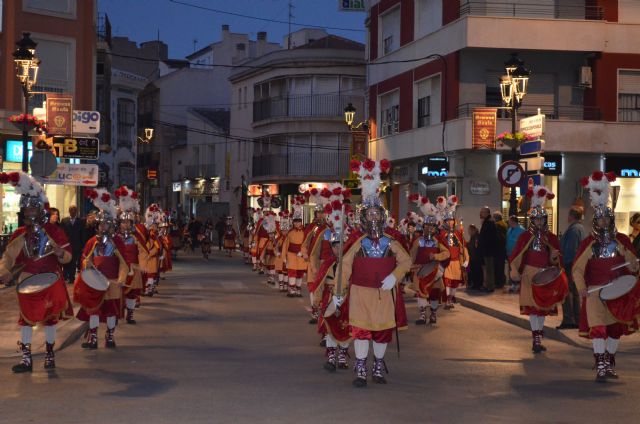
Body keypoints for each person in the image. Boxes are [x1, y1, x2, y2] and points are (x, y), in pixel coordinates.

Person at [336, 158, 411, 388]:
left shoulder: (391, 241)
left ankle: (378, 365)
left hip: (384, 293)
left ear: (382, 215)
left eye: (376, 214)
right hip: (360, 292)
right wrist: (339, 292)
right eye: (369, 215)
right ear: (363, 217)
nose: (374, 218)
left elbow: (406, 261)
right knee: (360, 331)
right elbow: (345, 266)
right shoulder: (356, 242)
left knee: (381, 332)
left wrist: (394, 277)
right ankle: (360, 369)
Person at [0, 171, 73, 372]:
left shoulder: (55, 232)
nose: (29, 214)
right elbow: (8, 257)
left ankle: (49, 354)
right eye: (26, 210)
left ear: (40, 209)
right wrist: (4, 271)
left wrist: (59, 252)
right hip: (28, 281)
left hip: (51, 279)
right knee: (26, 320)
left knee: (50, 319)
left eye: (32, 209)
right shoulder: (19, 234)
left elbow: (68, 257)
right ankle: (26, 358)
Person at [573, 171, 640, 382]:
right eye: (599, 219)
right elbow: (577, 269)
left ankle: (609, 362)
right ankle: (600, 364)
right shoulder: (589, 244)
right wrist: (581, 287)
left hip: (617, 291)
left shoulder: (621, 240)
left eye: (606, 219)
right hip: (595, 293)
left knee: (614, 330)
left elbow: (633, 265)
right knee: (598, 328)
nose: (602, 222)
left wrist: (625, 252)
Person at [509, 186, 567, 353]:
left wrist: (555, 256)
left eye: (542, 219)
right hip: (529, 274)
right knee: (533, 309)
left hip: (546, 276)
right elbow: (516, 254)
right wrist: (515, 271)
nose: (540, 222)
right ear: (532, 220)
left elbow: (556, 261)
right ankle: (535, 338)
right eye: (537, 220)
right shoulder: (525, 236)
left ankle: (539, 338)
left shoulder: (552, 238)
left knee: (543, 309)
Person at [74, 188, 129, 349]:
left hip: (112, 282)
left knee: (111, 311)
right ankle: (93, 338)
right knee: (93, 311)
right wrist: (86, 265)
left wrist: (121, 279)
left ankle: (110, 336)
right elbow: (85, 259)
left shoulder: (117, 241)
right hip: (95, 283)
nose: (102, 227)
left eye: (105, 223)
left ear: (111, 224)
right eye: (100, 224)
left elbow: (124, 263)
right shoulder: (92, 241)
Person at [410, 196, 450, 325]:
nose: (429, 228)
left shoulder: (437, 241)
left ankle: (433, 314)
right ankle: (422, 316)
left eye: (432, 226)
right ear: (424, 226)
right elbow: (411, 255)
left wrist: (436, 257)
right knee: (421, 293)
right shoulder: (418, 241)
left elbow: (447, 252)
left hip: (434, 271)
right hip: (420, 270)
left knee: (434, 294)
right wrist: (410, 267)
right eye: (427, 226)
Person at [114, 186, 146, 324]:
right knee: (117, 293)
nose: (125, 224)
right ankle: (115, 314)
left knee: (132, 293)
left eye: (127, 222)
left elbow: (144, 250)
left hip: (134, 268)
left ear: (132, 223)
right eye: (122, 222)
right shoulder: (115, 237)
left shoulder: (135, 237)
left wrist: (143, 265)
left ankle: (130, 314)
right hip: (119, 269)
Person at [557, 206, 587, 329]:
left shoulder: (574, 230)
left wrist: (564, 263)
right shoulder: (580, 228)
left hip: (570, 265)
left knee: (567, 292)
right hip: (575, 265)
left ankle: (569, 319)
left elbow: (571, 250)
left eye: (569, 214)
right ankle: (576, 319)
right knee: (574, 293)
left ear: (572, 216)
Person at [438, 196, 468, 310]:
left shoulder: (458, 233)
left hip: (456, 262)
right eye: (448, 220)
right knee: (447, 282)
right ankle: (447, 301)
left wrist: (466, 259)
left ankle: (450, 299)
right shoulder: (441, 233)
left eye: (452, 220)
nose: (450, 222)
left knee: (455, 282)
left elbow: (463, 247)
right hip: (446, 262)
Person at [281, 196, 308, 297]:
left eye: (299, 221)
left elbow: (306, 244)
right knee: (292, 272)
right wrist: (284, 257)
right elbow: (285, 245)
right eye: (295, 221)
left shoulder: (305, 232)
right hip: (291, 255)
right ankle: (291, 290)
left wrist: (303, 252)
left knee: (300, 273)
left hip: (301, 256)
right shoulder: (290, 233)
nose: (297, 223)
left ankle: (298, 290)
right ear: (293, 222)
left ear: (301, 222)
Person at [61, 205, 85, 284]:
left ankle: (72, 278)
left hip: (76, 245)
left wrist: (82, 246)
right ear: (69, 211)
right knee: (66, 260)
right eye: (71, 210)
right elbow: (61, 233)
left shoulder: (80, 221)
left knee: (73, 262)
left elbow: (82, 234)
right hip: (66, 245)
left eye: (75, 210)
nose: (73, 211)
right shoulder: (64, 221)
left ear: (77, 211)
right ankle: (65, 276)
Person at [478, 207, 497, 292]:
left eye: (482, 212)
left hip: (488, 250)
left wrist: (482, 243)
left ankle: (490, 286)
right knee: (487, 268)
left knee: (489, 269)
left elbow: (489, 237)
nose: (481, 213)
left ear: (487, 213)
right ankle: (487, 285)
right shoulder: (487, 221)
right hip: (486, 249)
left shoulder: (489, 222)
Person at [506, 216, 525, 293]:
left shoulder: (521, 230)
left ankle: (519, 285)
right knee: (511, 269)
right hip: (510, 253)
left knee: (517, 269)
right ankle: (513, 284)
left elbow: (523, 242)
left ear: (513, 221)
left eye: (509, 221)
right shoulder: (509, 229)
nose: (508, 222)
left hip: (518, 254)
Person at [493, 212, 508, 289]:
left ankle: (499, 282)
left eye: (493, 217)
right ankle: (501, 281)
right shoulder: (504, 225)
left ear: (495, 218)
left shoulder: (497, 226)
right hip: (502, 249)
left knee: (498, 267)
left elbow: (498, 239)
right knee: (501, 267)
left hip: (498, 250)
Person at [466, 224, 483, 290]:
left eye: (469, 230)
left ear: (473, 230)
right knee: (473, 271)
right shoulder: (473, 236)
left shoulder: (476, 237)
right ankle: (474, 284)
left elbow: (475, 247)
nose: (468, 232)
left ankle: (478, 284)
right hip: (473, 257)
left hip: (476, 257)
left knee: (477, 271)